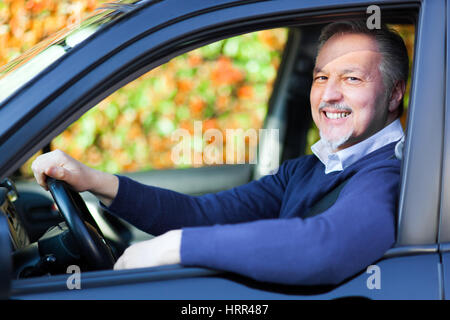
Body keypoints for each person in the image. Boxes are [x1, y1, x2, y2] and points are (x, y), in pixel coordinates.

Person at [31, 20, 409, 285]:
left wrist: (174, 248)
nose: (329, 94)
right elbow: (204, 214)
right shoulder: (309, 169)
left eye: (352, 78)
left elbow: (325, 248)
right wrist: (93, 180)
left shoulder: (389, 174)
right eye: (321, 77)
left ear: (395, 94)